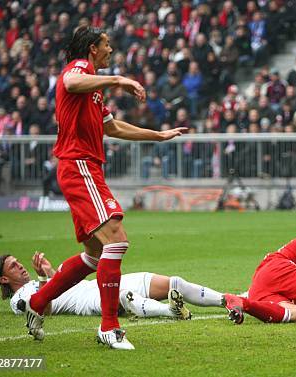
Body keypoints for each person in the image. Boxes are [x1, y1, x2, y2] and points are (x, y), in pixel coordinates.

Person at [21, 26, 188, 350]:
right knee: (117, 240)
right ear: (92, 48)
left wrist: (158, 135)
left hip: (84, 168)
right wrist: (118, 79)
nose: (111, 49)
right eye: (107, 45)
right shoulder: (80, 70)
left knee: (95, 254)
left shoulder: (94, 90)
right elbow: (70, 81)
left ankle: (38, 302)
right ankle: (109, 328)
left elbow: (112, 127)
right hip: (79, 165)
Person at [0, 252, 226, 319]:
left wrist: (48, 272)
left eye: (18, 262)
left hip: (93, 284)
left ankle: (228, 300)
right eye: (13, 266)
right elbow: (45, 308)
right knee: (124, 295)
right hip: (87, 301)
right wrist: (43, 278)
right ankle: (171, 311)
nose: (20, 266)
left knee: (173, 282)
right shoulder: (17, 300)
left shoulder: (34, 282)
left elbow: (59, 284)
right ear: (4, 279)